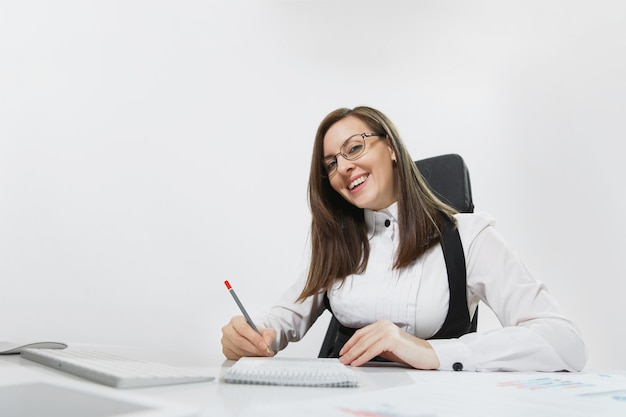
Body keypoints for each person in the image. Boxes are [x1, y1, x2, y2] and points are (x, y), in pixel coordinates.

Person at [221, 106, 587, 372]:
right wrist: (253, 336)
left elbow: (564, 340)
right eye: (331, 163)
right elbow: (282, 320)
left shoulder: (468, 237)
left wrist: (432, 352)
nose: (343, 167)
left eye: (354, 148)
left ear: (392, 148)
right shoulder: (339, 242)